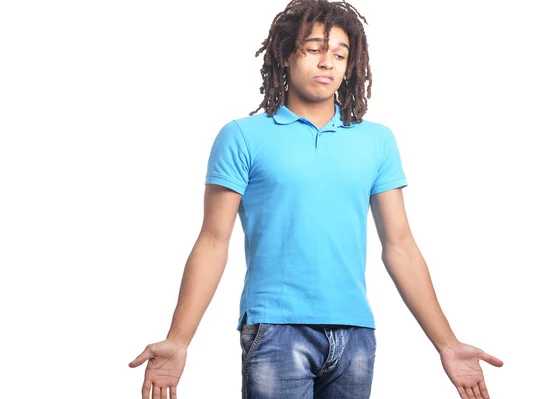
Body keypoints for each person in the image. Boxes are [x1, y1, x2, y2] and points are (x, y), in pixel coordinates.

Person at [129, 0, 504, 398]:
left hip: (356, 334)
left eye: (340, 55)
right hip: (276, 330)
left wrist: (446, 342)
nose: (328, 63)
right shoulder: (243, 136)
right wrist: (179, 339)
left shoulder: (376, 141)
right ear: (287, 56)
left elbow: (400, 247)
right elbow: (212, 241)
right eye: (314, 50)